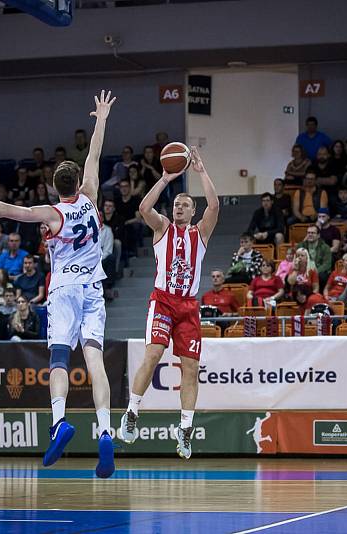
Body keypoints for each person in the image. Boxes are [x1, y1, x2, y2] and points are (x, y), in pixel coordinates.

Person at [0, 90, 117, 478]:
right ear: (78, 181)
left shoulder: (49, 213)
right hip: (94, 288)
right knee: (94, 359)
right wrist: (101, 119)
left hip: (63, 291)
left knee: (59, 358)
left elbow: (2, 209)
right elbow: (94, 154)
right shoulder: (92, 198)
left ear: (54, 186)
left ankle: (60, 421)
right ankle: (106, 430)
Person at [119, 145, 218, 460]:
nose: (179, 207)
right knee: (153, 354)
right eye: (177, 203)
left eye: (185, 204)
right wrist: (164, 179)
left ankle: (185, 430)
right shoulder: (162, 228)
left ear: (192, 212)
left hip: (188, 307)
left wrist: (201, 172)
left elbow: (214, 206)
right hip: (162, 302)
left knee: (191, 367)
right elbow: (144, 208)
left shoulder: (200, 233)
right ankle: (133, 411)